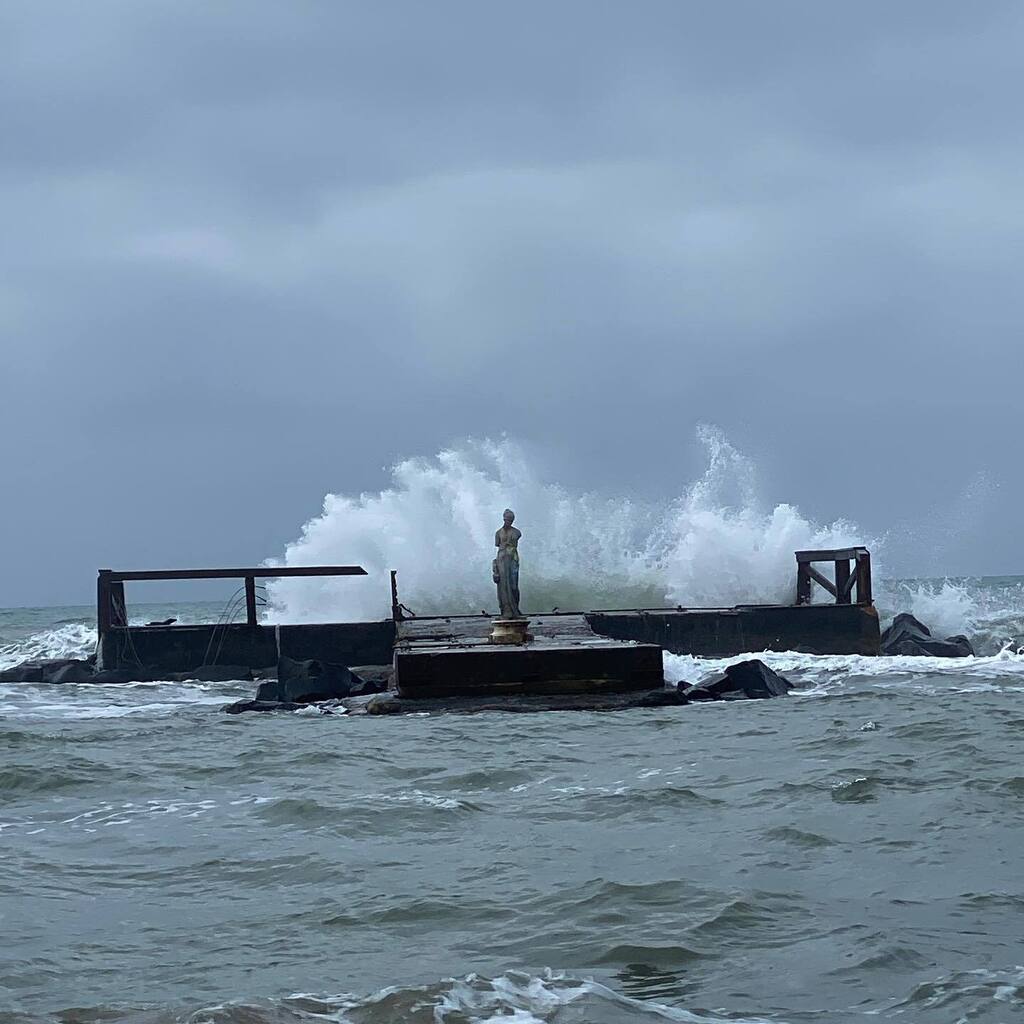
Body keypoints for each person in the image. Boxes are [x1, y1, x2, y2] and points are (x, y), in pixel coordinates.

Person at [492, 509, 522, 618]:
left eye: (510, 520)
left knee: (513, 586)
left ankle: (516, 609)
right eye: (506, 519)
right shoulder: (498, 533)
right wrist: (495, 569)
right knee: (502, 587)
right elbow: (498, 547)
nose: (508, 522)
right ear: (503, 519)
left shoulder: (517, 532)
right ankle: (505, 610)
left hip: (513, 559)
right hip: (501, 560)